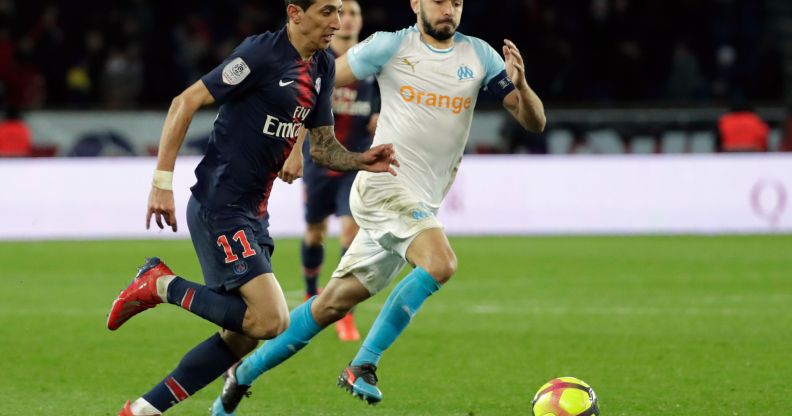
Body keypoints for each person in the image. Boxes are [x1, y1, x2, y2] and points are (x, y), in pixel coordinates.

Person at [211, 0, 545, 413]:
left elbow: (534, 121)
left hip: (419, 202)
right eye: (440, 1)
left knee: (331, 304)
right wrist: (296, 144)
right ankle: (363, 365)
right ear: (416, 4)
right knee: (440, 263)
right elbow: (314, 82)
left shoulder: (479, 56)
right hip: (383, 188)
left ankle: (241, 375)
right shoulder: (388, 46)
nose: (449, 10)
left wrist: (523, 85)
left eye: (456, 3)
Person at [105, 1, 398, 415]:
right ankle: (159, 284)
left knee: (241, 337)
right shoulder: (261, 54)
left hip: (253, 214)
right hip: (220, 205)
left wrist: (360, 159)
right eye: (327, 12)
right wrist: (161, 183)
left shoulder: (322, 68)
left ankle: (141, 411)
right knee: (271, 321)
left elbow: (325, 147)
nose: (337, 23)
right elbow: (184, 102)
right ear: (295, 13)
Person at [279, 0, 379, 342]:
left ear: (360, 21)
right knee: (315, 233)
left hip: (355, 162)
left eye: (354, 13)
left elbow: (382, 112)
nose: (346, 19)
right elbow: (304, 109)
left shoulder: (373, 66)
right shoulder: (318, 61)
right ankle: (311, 295)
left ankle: (343, 312)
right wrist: (295, 152)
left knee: (350, 235)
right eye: (342, 12)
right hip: (320, 161)